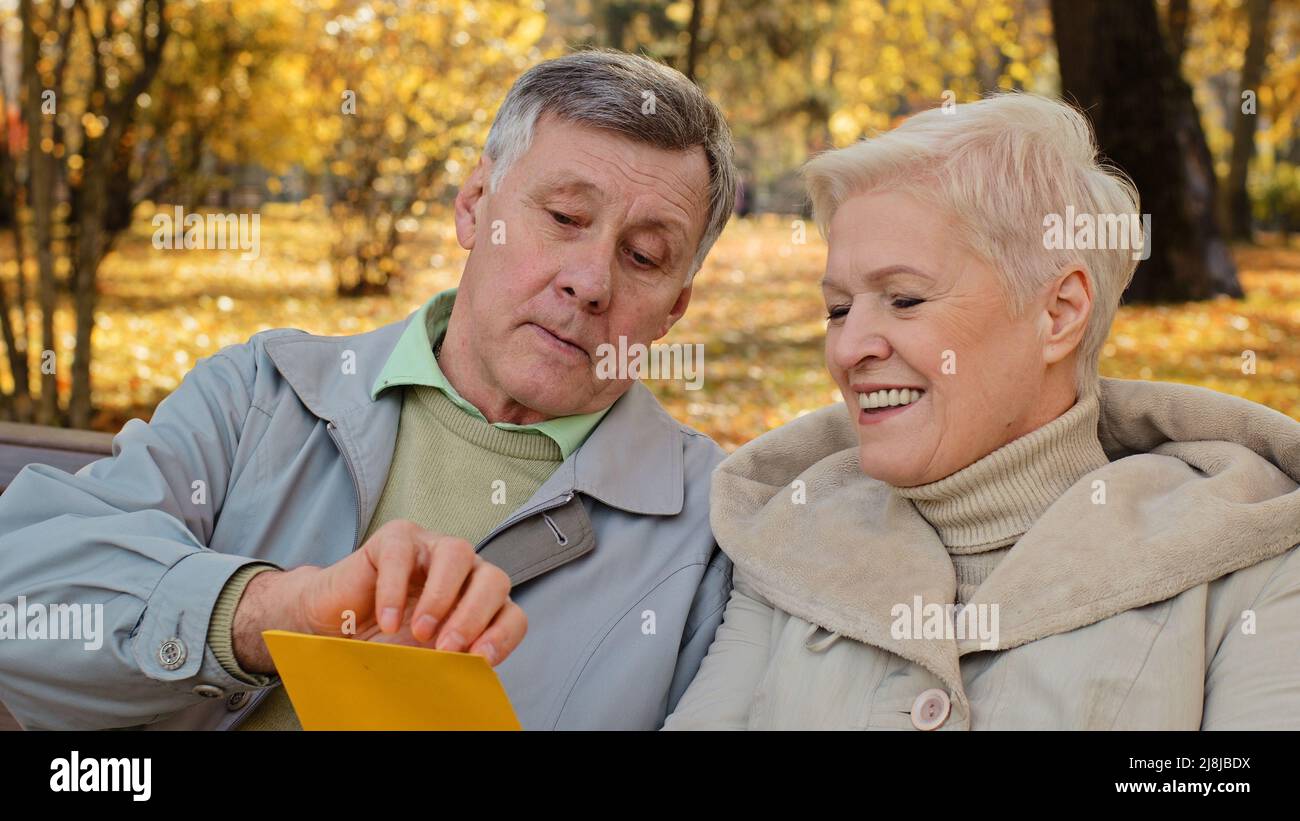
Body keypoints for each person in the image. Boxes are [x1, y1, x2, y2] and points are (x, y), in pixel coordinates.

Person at [0, 49, 737, 730]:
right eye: (565, 218)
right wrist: (275, 613)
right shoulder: (263, 393)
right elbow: (21, 606)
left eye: (643, 256)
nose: (590, 281)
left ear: (676, 305)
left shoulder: (712, 532)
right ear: (475, 205)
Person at [664, 92, 1300, 730]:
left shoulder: (1251, 562)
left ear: (1058, 314)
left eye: (905, 299)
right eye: (838, 309)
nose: (849, 348)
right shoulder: (787, 539)